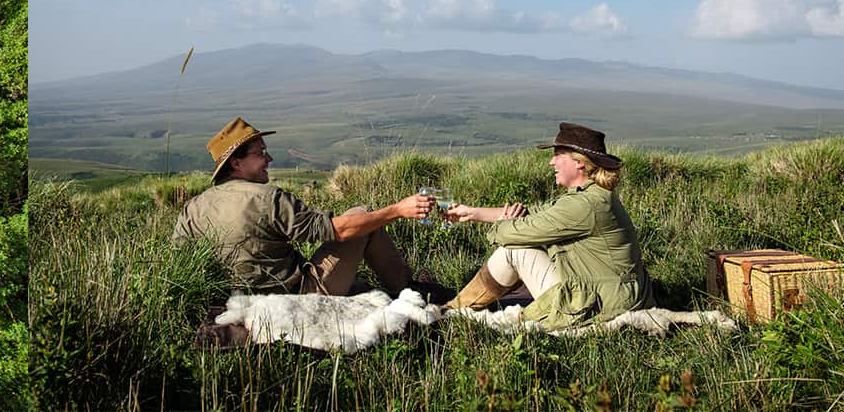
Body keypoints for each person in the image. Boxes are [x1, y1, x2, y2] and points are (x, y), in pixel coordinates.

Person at [172, 117, 450, 300]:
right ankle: (408, 290)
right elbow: (337, 231)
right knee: (362, 216)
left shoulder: (192, 208)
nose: (269, 158)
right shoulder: (268, 198)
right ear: (236, 163)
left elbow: (180, 261)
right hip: (299, 295)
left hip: (237, 301)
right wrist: (397, 210)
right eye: (260, 153)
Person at [443, 122, 654, 330]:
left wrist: (503, 226)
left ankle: (453, 312)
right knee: (520, 246)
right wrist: (471, 213)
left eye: (558, 155)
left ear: (579, 162)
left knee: (514, 251)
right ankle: (455, 309)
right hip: (616, 296)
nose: (552, 162)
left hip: (602, 306)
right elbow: (533, 215)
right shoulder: (592, 195)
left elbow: (514, 232)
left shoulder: (584, 205)